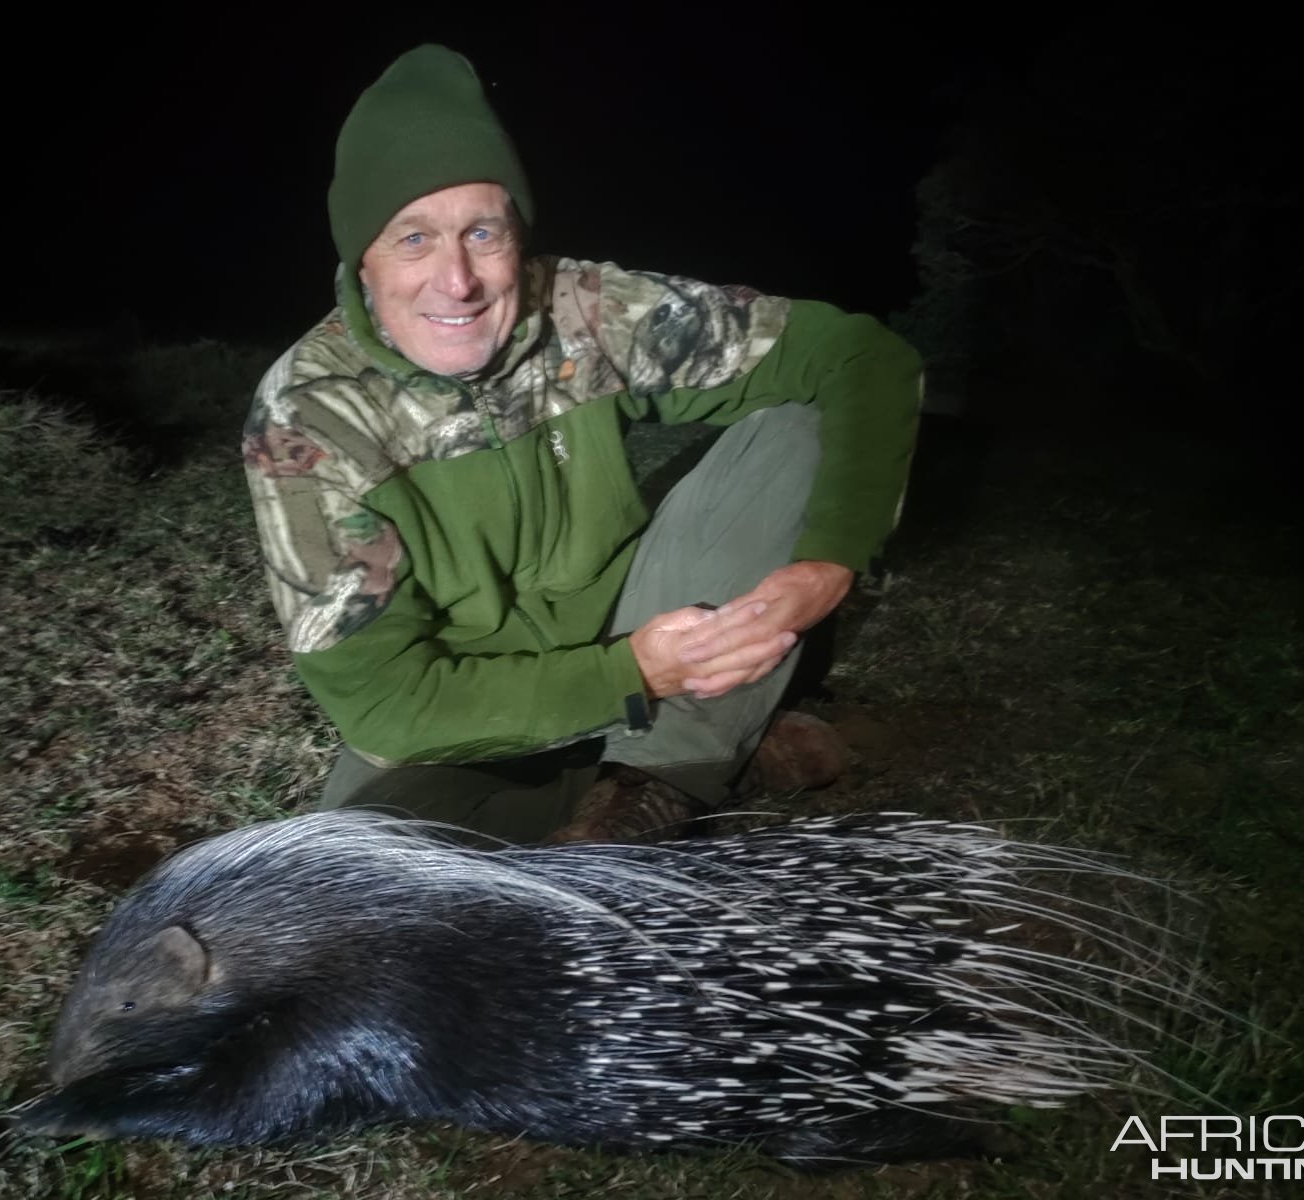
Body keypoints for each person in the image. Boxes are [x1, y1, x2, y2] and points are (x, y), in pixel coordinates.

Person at [242, 44, 923, 845]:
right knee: (357, 864)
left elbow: (859, 357)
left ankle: (657, 779)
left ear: (516, 235)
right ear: (363, 256)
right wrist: (635, 676)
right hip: (476, 698)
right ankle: (698, 737)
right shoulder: (305, 419)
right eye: (413, 238)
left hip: (637, 615)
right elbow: (388, 704)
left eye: (483, 232)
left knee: (792, 429)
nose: (457, 280)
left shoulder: (583, 307)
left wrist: (828, 563)